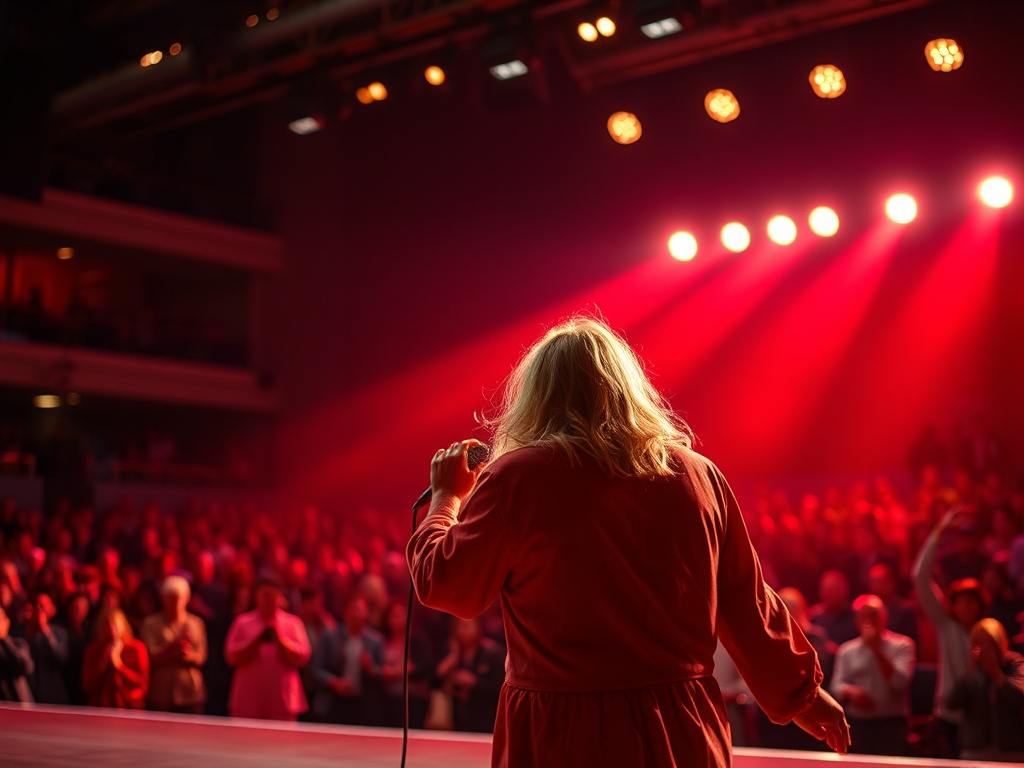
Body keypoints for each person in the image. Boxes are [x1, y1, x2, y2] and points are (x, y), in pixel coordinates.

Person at [407, 316, 849, 767]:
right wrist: (802, 696)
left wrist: (445, 498)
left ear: (537, 396)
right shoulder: (698, 475)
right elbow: (745, 599)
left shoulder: (517, 478)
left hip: (563, 733)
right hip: (682, 725)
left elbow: (448, 585)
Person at [912, 506, 989, 758]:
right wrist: (940, 530)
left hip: (982, 717)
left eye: (972, 600)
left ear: (981, 605)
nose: (967, 605)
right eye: (961, 600)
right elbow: (920, 575)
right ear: (953, 605)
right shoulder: (946, 626)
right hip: (948, 717)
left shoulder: (989, 633)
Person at [830, 595, 916, 755]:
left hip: (892, 725)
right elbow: (835, 686)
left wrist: (876, 650)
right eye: (863, 617)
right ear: (856, 621)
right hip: (858, 724)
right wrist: (850, 691)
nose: (868, 622)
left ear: (884, 617)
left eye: (873, 616)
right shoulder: (846, 651)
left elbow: (899, 682)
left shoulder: (903, 645)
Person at [224, 574, 311, 721]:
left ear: (280, 597)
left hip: (283, 701)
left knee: (283, 742)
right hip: (248, 701)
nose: (269, 599)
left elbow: (303, 657)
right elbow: (231, 657)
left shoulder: (293, 623)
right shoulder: (242, 622)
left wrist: (281, 642)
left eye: (273, 595)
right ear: (257, 597)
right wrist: (256, 640)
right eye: (265, 595)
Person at [945, 618, 1024, 761]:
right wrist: (971, 671)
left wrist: (997, 674)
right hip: (975, 751)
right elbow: (951, 702)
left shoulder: (1015, 663)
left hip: (1010, 751)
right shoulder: (973, 671)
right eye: (980, 643)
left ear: (1000, 643)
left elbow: (1019, 698)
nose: (986, 648)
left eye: (991, 643)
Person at [308, 594, 384, 725]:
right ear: (345, 612)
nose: (357, 614)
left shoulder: (375, 641)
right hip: (333, 702)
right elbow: (315, 668)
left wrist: (371, 669)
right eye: (354, 609)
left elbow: (381, 674)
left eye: (361, 610)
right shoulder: (330, 637)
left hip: (362, 704)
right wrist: (334, 682)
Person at [140, 575, 207, 713]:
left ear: (187, 599)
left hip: (190, 693)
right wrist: (174, 647)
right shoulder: (150, 623)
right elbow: (149, 658)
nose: (175, 603)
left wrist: (182, 653)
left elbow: (201, 657)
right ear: (163, 598)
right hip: (160, 694)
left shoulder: (196, 623)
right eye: (171, 598)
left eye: (179, 598)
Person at [81, 607, 149, 709]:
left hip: (129, 710)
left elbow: (142, 685)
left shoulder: (136, 649)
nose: (112, 630)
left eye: (115, 626)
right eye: (107, 626)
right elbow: (87, 686)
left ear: (123, 626)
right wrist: (103, 664)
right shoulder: (92, 651)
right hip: (99, 709)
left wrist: (119, 666)